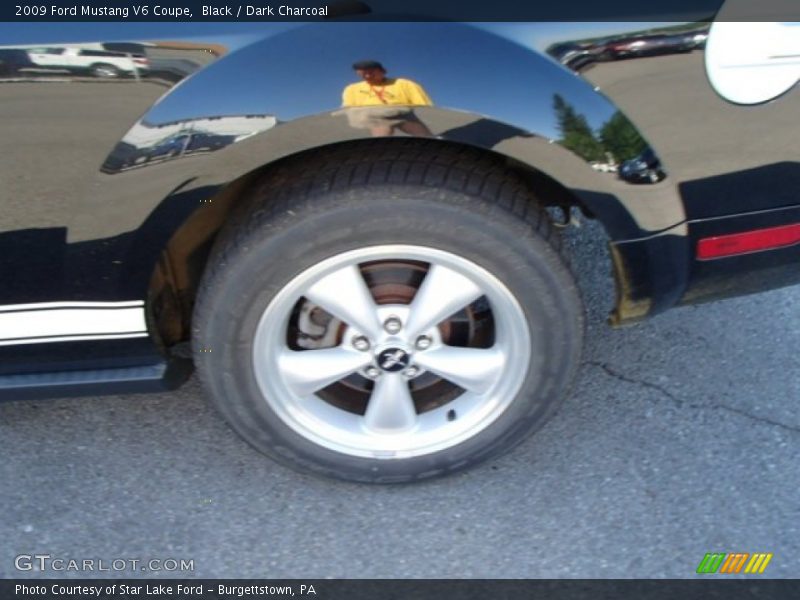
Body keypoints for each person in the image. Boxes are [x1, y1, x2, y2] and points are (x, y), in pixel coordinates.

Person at [340, 60, 434, 137]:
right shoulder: (351, 88)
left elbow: (423, 106)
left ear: (383, 71)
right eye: (363, 74)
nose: (368, 76)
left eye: (371, 73)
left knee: (425, 136)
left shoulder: (404, 83)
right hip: (374, 116)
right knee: (381, 138)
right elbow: (349, 109)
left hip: (403, 114)